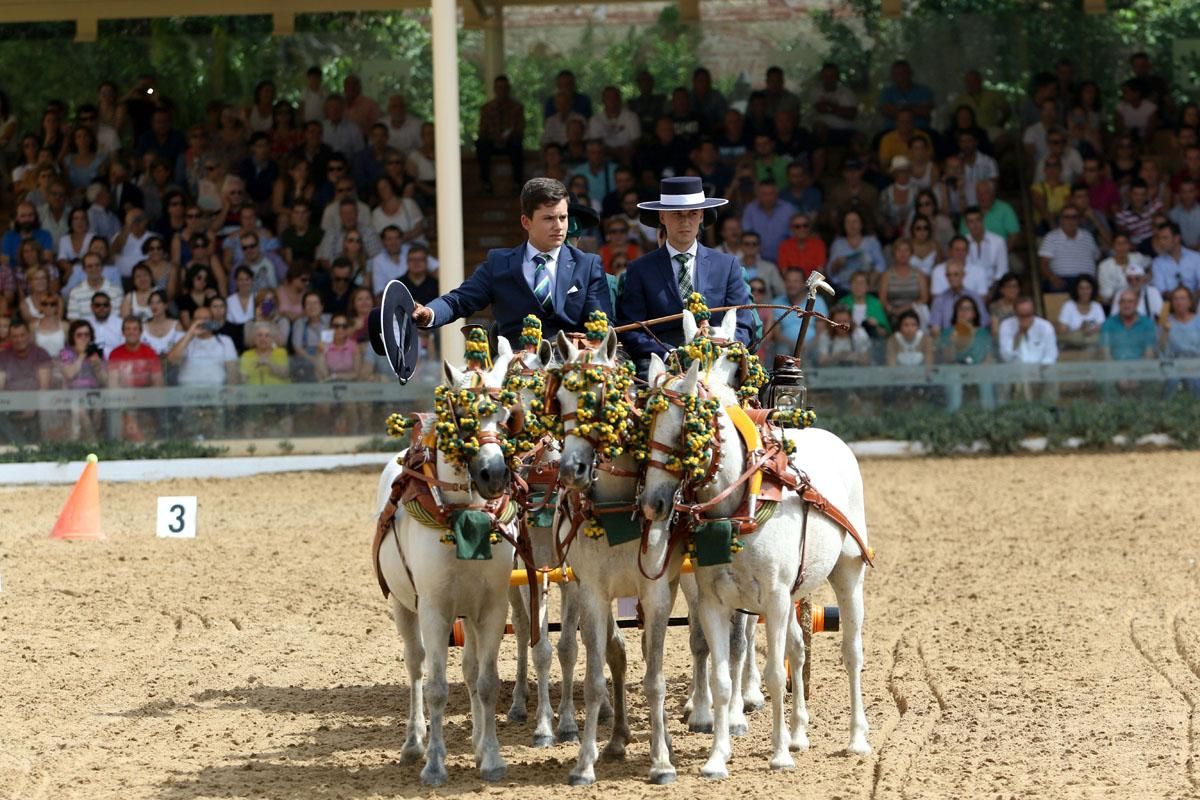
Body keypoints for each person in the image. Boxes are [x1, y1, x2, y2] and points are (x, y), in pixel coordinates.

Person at [413, 178, 610, 342]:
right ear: (526, 222)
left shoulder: (588, 265)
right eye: (549, 219)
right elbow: (458, 301)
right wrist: (430, 313)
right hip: (514, 371)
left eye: (563, 217)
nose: (558, 226)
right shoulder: (498, 263)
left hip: (572, 372)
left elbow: (602, 325)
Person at [617, 176, 753, 369]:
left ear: (702, 216)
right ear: (662, 217)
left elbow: (743, 324)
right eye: (677, 215)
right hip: (662, 364)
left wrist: (721, 347)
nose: (685, 221)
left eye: (692, 213)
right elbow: (632, 329)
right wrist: (668, 354)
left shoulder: (726, 265)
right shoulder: (640, 269)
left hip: (719, 362)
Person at [937, 295, 995, 410]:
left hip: (979, 369)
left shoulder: (983, 333)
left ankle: (989, 413)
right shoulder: (948, 332)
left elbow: (989, 357)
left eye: (968, 309)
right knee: (953, 377)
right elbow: (948, 359)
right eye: (961, 309)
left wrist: (981, 368)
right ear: (956, 312)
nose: (964, 312)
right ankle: (953, 414)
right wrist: (955, 341)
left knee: (986, 377)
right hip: (956, 370)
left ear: (974, 313)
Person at [168, 304, 239, 387]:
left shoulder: (225, 341)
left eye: (206, 319)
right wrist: (190, 334)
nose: (201, 322)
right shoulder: (184, 339)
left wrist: (230, 395)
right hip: (187, 393)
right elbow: (172, 360)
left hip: (216, 394)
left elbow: (233, 372)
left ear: (213, 321)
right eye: (197, 319)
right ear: (192, 322)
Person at [1038, 208, 1100, 292]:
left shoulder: (1088, 236)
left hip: (1087, 280)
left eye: (1074, 217)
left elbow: (1096, 258)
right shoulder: (1051, 237)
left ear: (1079, 219)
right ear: (1061, 220)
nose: (1071, 220)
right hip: (1063, 279)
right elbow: (1043, 263)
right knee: (1054, 286)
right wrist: (1052, 278)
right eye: (1067, 217)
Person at [826, 209, 886, 291]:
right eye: (848, 222)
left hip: (867, 288)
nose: (852, 225)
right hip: (844, 289)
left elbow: (881, 265)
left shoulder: (872, 242)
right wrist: (837, 264)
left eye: (855, 221)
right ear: (844, 225)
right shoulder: (837, 244)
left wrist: (871, 281)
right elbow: (830, 272)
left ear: (861, 224)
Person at [878, 238, 930, 325]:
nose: (903, 253)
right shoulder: (886, 275)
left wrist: (904, 309)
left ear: (911, 253)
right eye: (899, 250)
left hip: (914, 314)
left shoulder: (919, 275)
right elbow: (882, 299)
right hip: (892, 314)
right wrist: (892, 310)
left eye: (906, 250)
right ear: (894, 253)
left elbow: (924, 299)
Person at [1160, 287, 1200, 395]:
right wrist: (1165, 331)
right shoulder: (1166, 321)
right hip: (1174, 366)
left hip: (1197, 365)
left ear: (1190, 302)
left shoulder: (1198, 321)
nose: (1179, 302)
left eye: (1183, 298)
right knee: (1172, 382)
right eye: (1175, 299)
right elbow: (1161, 349)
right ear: (1172, 303)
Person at [1055, 274, 1105, 353]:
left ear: (1093, 290)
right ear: (1076, 290)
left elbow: (1102, 328)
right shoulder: (1068, 306)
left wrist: (1091, 330)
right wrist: (1080, 330)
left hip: (1093, 345)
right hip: (1071, 347)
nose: (1085, 292)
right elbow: (1061, 331)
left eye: (1088, 288)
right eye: (1081, 288)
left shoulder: (1097, 306)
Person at [67, 252, 123, 321]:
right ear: (84, 270)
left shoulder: (116, 291)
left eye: (97, 265)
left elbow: (117, 319)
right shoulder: (75, 292)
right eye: (90, 266)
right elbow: (74, 321)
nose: (94, 269)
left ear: (102, 267)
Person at [835, 270, 890, 339]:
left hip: (872, 343)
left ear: (868, 287)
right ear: (849, 285)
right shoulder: (842, 303)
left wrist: (876, 326)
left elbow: (886, 333)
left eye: (862, 283)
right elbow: (833, 329)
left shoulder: (876, 304)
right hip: (847, 342)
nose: (858, 286)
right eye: (855, 282)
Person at [1150, 222, 1200, 295]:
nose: (1161, 242)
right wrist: (1179, 300)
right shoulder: (1157, 263)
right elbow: (1162, 291)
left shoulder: (1196, 258)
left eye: (1165, 238)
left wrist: (1190, 300)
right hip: (1171, 303)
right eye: (1159, 239)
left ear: (1177, 238)